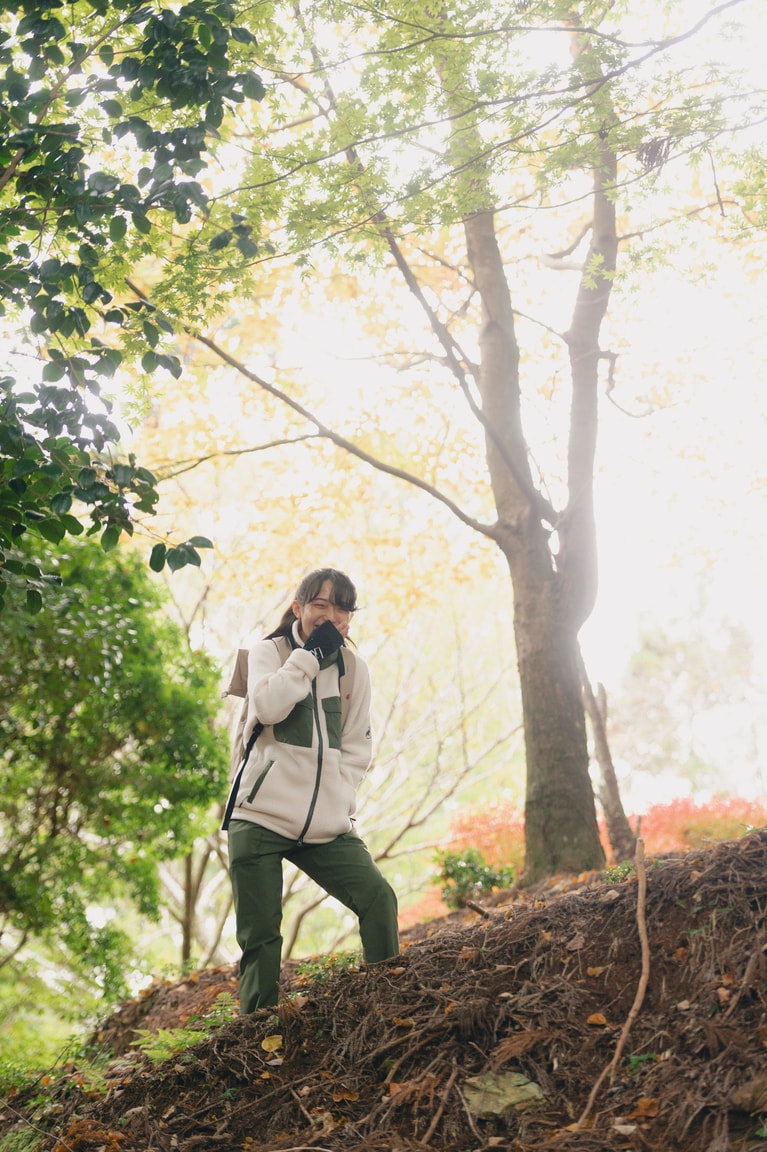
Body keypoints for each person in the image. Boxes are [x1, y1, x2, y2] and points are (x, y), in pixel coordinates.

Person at [226, 567, 399, 1013]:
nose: (332, 616)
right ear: (298, 608)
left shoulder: (354, 669)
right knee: (261, 937)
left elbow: (358, 744)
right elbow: (266, 707)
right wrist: (307, 657)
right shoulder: (267, 652)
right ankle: (257, 1038)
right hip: (260, 817)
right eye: (321, 604)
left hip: (326, 824)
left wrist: (340, 797)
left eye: (342, 608)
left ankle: (390, 1005)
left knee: (378, 898)